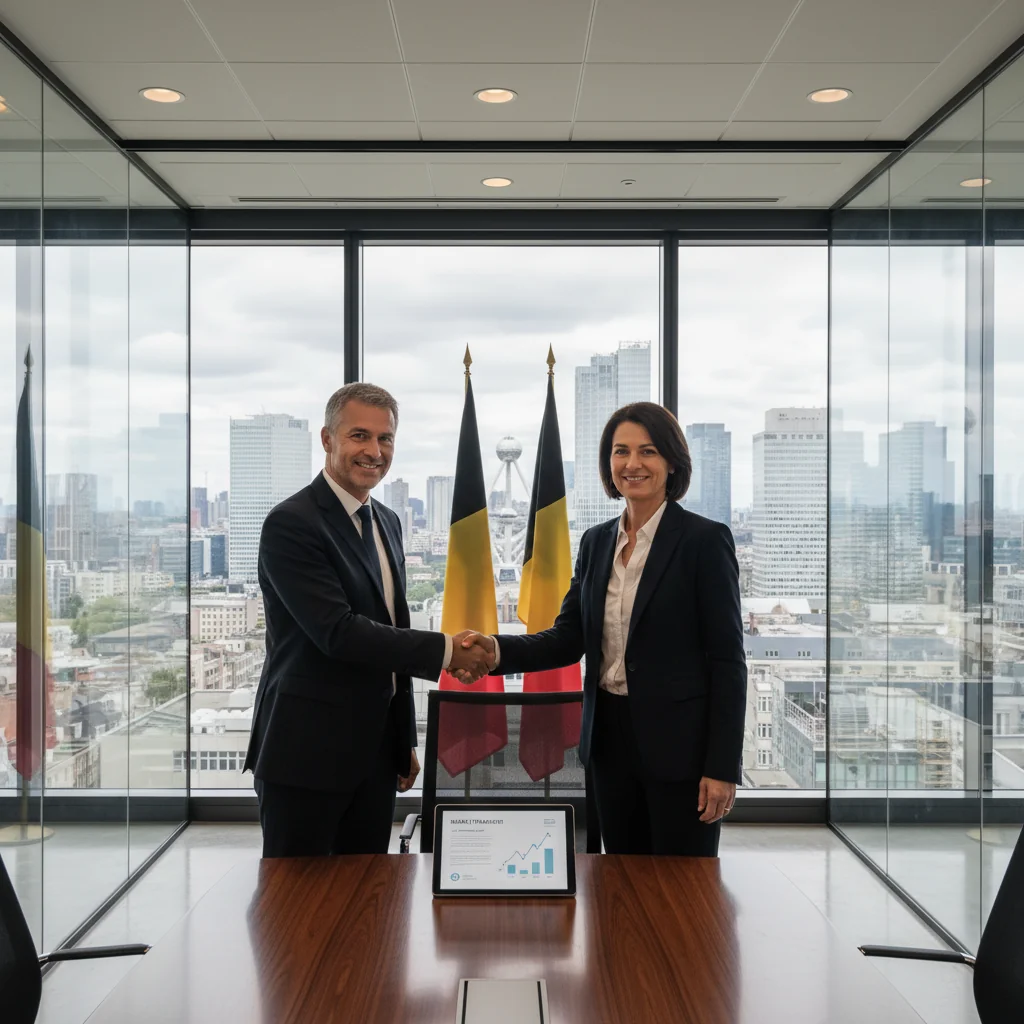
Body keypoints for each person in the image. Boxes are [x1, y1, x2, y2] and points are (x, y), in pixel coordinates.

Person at [464, 402, 746, 856]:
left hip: (681, 751)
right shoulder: (596, 542)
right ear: (608, 463)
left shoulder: (704, 542)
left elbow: (729, 661)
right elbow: (568, 637)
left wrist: (722, 766)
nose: (632, 464)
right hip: (608, 745)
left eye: (648, 451)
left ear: (672, 462)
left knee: (683, 892)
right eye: (620, 452)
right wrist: (494, 652)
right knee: (620, 883)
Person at [244, 383, 491, 858]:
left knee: (368, 907)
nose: (374, 452)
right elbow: (338, 632)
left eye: (386, 439)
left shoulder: (388, 522)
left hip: (374, 759)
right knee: (297, 913)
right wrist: (446, 651)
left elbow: (390, 638)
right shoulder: (291, 523)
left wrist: (402, 744)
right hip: (306, 759)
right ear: (327, 439)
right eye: (360, 436)